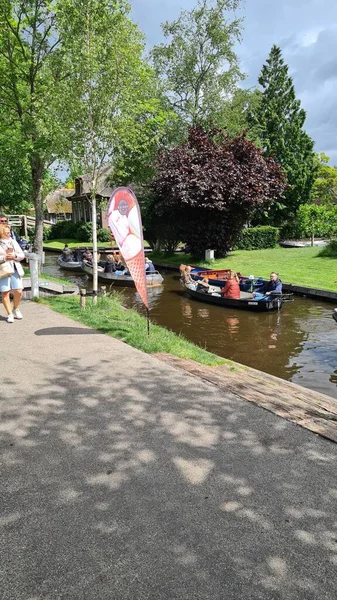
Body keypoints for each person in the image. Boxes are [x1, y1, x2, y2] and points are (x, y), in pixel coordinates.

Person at [0, 223, 25, 323]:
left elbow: (21, 255)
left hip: (15, 268)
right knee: (5, 291)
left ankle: (16, 308)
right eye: (7, 232)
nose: (9, 234)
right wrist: (4, 257)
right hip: (3, 269)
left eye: (9, 232)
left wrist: (14, 256)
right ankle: (9, 314)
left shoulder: (13, 242)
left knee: (19, 290)